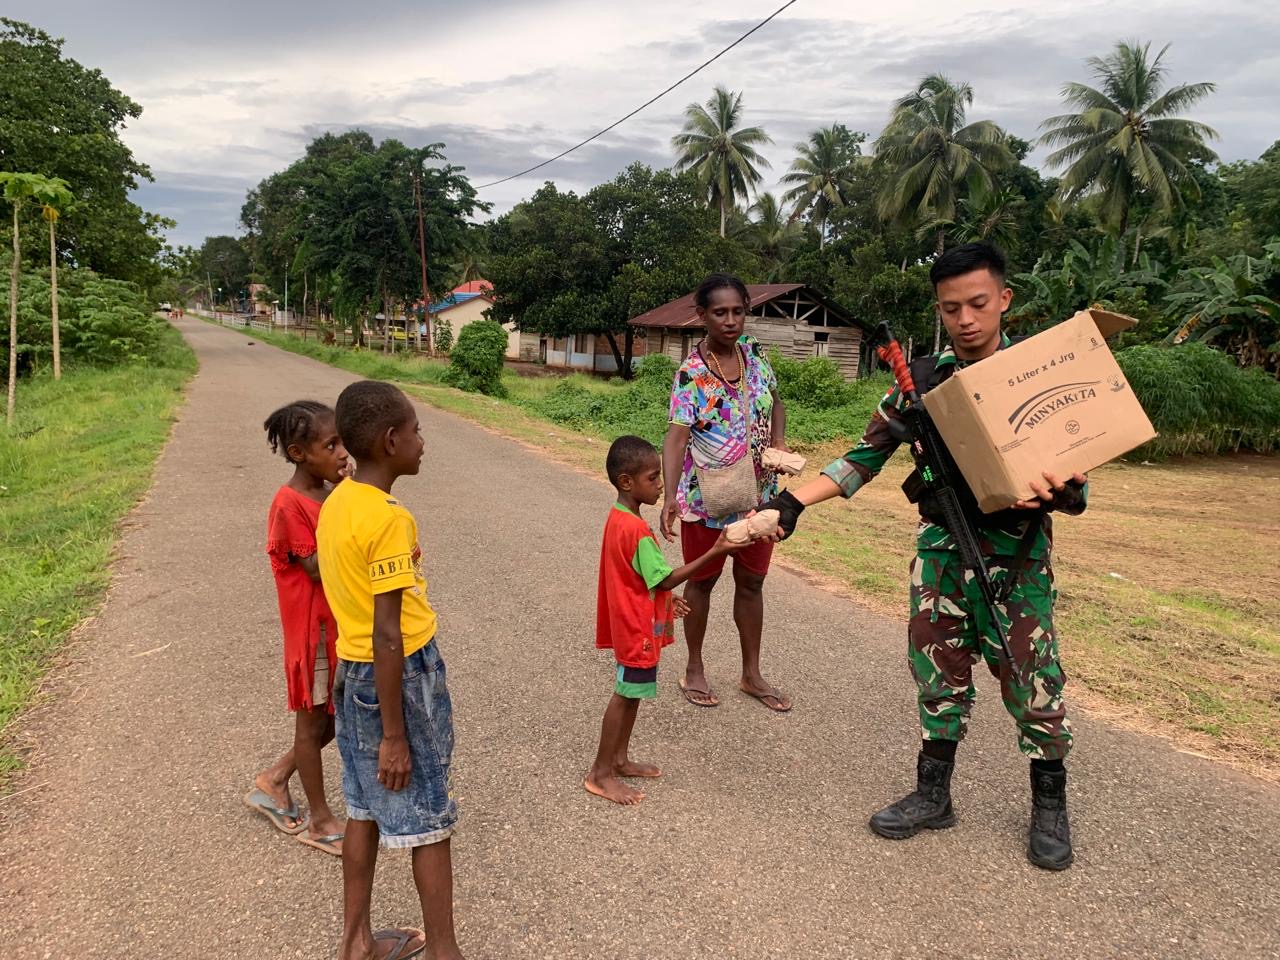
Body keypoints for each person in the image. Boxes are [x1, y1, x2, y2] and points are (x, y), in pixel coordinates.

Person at [762, 242, 1086, 871]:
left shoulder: (1034, 376)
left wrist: (1067, 490)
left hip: (1016, 556)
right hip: (940, 552)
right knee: (937, 672)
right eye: (950, 308)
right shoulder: (919, 382)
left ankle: (1050, 806)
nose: (965, 319)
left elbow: (1079, 480)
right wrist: (791, 503)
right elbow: (862, 458)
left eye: (978, 304)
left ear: (1004, 301)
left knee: (1033, 681)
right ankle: (933, 795)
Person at [318, 381, 463, 960]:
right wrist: (396, 736)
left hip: (355, 673)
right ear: (390, 439)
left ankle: (356, 941)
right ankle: (445, 951)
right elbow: (387, 630)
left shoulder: (337, 503)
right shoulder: (388, 519)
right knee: (428, 815)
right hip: (398, 674)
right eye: (417, 431)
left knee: (362, 808)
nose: (423, 442)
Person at [588, 435, 751, 805]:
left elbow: (637, 578)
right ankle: (599, 773)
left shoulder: (620, 518)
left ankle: (618, 759)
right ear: (626, 482)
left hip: (633, 618)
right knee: (625, 696)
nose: (661, 484)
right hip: (636, 630)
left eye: (659, 476)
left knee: (631, 695)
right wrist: (717, 550)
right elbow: (662, 577)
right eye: (652, 478)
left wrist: (664, 600)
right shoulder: (636, 530)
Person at [660, 273, 791, 712]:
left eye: (738, 311)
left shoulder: (755, 354)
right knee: (702, 580)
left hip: (758, 496)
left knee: (752, 581)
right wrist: (670, 498)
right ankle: (694, 666)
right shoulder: (691, 374)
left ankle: (751, 674)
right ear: (702, 316)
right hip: (706, 499)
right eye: (720, 312)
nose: (731, 320)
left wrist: (780, 444)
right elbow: (676, 438)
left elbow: (777, 402)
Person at [244, 400, 348, 857]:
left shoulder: (331, 494)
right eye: (331, 445)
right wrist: (351, 510)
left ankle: (274, 780)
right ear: (298, 452)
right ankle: (321, 821)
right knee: (312, 726)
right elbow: (317, 568)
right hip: (315, 634)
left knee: (335, 721)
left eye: (343, 441)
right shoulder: (290, 504)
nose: (343, 453)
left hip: (340, 628)